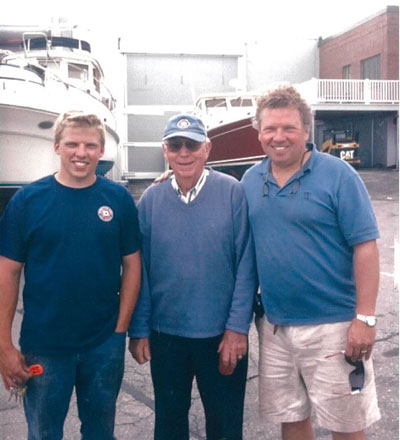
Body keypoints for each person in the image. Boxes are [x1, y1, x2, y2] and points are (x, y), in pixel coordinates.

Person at [241, 85, 381, 440]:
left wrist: (364, 318)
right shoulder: (250, 181)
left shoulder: (338, 176)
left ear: (306, 130)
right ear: (259, 133)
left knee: (346, 424)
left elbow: (365, 246)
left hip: (334, 326)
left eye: (288, 128)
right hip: (275, 327)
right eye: (270, 128)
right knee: (291, 418)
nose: (279, 137)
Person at [0, 111, 142, 440]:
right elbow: (7, 273)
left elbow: (133, 265)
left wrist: (119, 329)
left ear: (101, 150)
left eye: (90, 145)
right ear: (56, 147)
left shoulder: (118, 199)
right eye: (73, 144)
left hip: (102, 344)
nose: (81, 152)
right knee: (44, 434)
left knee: (100, 432)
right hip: (44, 346)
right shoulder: (27, 201)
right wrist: (4, 345)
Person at [128, 113, 257, 440]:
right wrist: (140, 328)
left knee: (225, 427)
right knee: (169, 426)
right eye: (175, 145)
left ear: (207, 148)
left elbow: (246, 264)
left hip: (221, 337)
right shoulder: (151, 200)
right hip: (166, 335)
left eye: (192, 144)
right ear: (165, 150)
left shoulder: (233, 193)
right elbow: (141, 270)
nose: (184, 152)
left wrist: (237, 328)